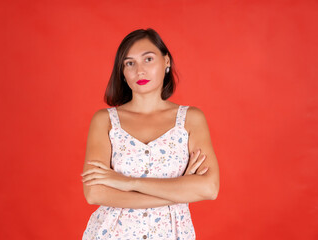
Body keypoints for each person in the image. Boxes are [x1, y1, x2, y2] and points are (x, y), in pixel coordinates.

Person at [80, 28, 220, 240]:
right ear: (123, 72)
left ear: (166, 62)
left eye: (148, 59)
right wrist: (177, 192)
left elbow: (209, 188)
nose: (139, 71)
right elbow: (95, 193)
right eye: (130, 63)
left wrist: (128, 183)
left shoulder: (190, 119)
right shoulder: (105, 121)